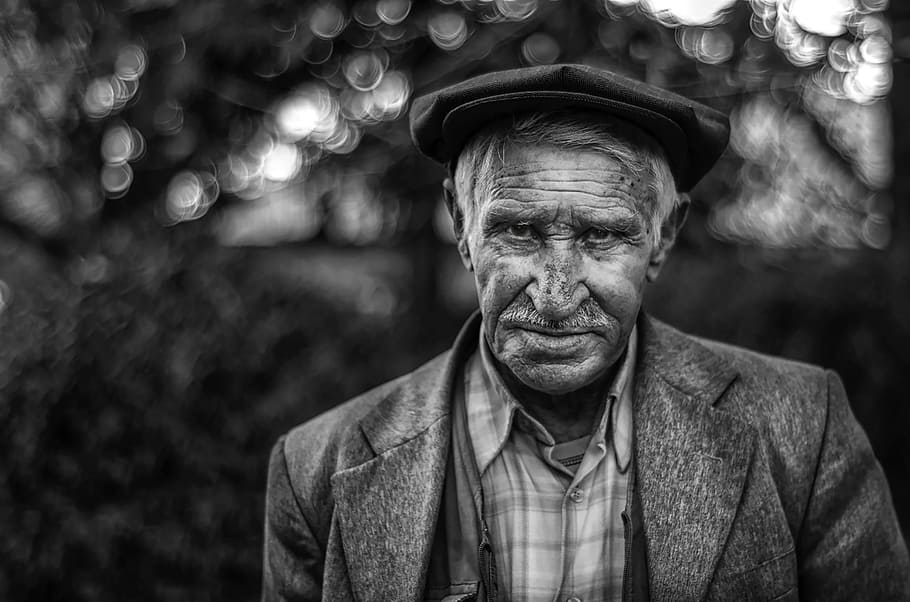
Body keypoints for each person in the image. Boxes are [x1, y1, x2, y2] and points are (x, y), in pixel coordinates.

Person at [262, 64, 910, 601]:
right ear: (461, 224)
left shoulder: (803, 431)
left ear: (663, 238)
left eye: (603, 236)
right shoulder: (317, 470)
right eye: (519, 230)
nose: (556, 294)